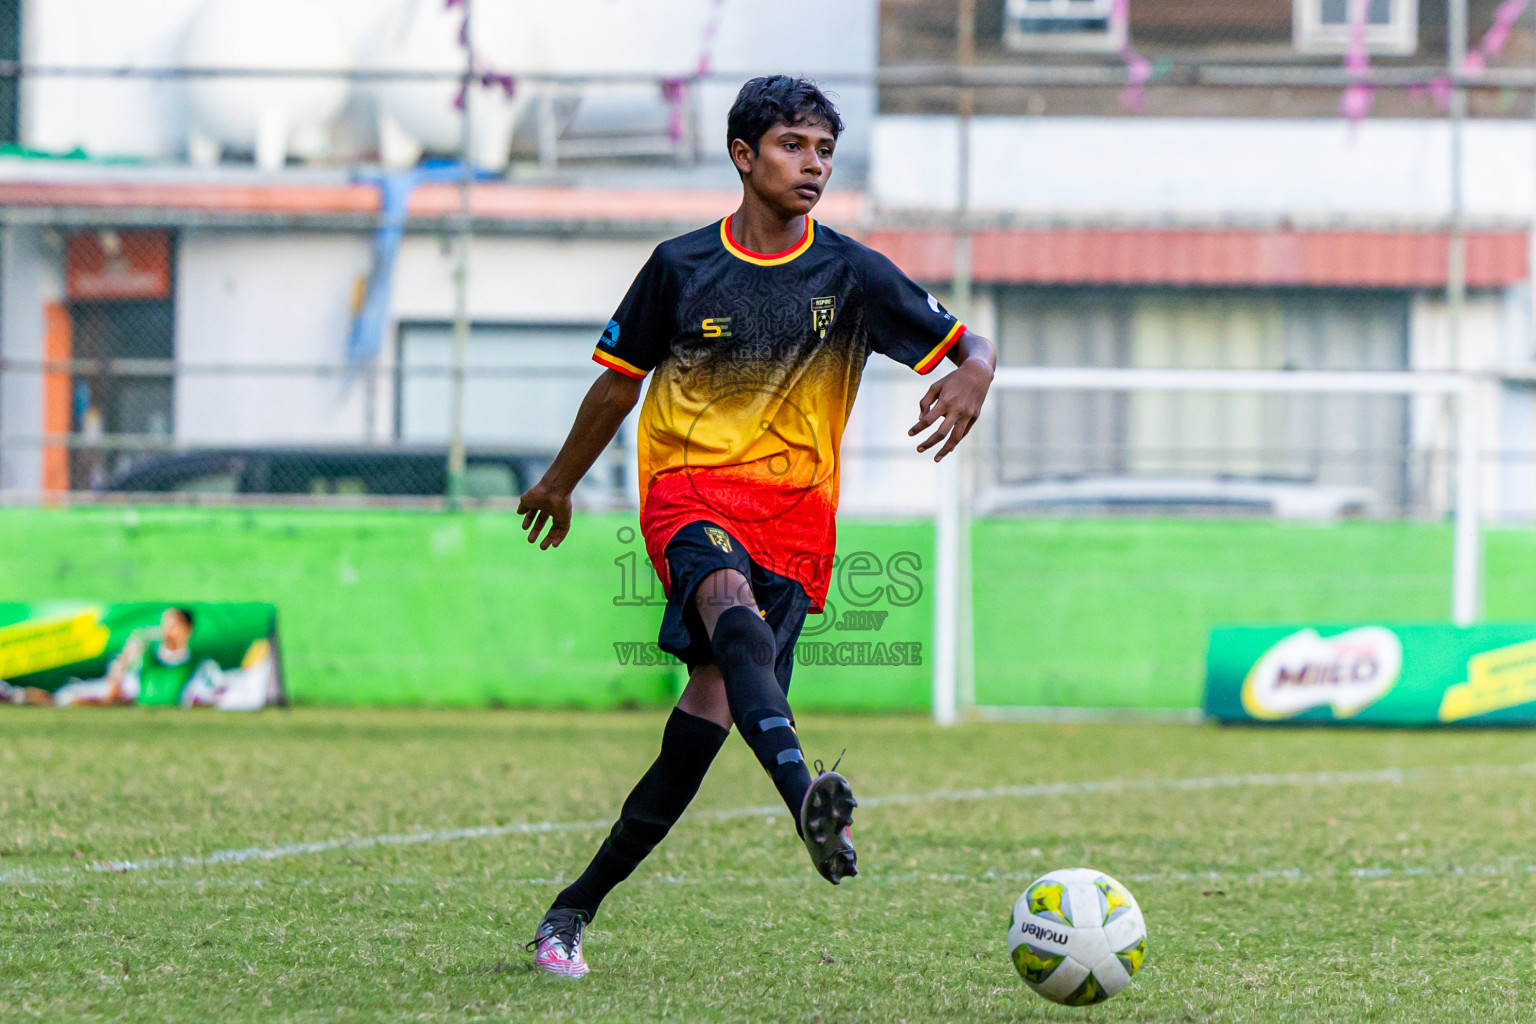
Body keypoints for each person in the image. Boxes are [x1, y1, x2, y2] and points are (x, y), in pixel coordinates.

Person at [515, 75, 997, 977]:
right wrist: (558, 481)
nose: (811, 165)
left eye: (823, 151)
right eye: (792, 146)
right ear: (744, 155)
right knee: (726, 607)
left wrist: (978, 371)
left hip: (798, 524)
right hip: (690, 494)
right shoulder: (679, 266)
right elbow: (621, 381)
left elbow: (969, 341)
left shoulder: (850, 273)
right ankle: (807, 799)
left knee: (703, 721)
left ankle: (571, 911)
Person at [0, 606, 202, 707]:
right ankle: (14, 695)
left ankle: (15, 695)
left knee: (69, 698)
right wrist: (126, 657)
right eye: (165, 623)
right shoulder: (147, 655)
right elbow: (113, 685)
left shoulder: (196, 665)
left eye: (173, 625)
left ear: (187, 630)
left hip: (128, 705)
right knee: (67, 697)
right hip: (120, 700)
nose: (166, 630)